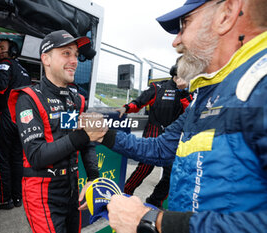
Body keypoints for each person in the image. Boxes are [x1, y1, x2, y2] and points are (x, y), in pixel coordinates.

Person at [81, 0, 267, 232]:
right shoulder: (207, 94)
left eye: (184, 24)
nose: (175, 41)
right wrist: (105, 134)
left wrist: (153, 220)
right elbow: (161, 149)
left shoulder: (260, 87)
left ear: (226, 15)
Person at [7, 30, 99, 233]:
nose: (74, 60)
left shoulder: (77, 99)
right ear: (45, 59)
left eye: (75, 54)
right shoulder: (28, 98)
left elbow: (86, 143)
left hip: (72, 187)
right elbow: (37, 156)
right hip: (42, 191)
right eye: (66, 53)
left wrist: (94, 178)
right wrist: (84, 134)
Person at [118, 62, 192, 208]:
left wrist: (183, 92)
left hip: (174, 136)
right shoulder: (158, 87)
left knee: (172, 172)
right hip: (154, 131)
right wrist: (125, 108)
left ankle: (155, 200)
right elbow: (138, 103)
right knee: (145, 167)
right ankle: (125, 194)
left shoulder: (189, 92)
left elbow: (191, 111)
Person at [0, 38, 32, 210]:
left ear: (12, 52)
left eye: (2, 48)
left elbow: (0, 86)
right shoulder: (24, 70)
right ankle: (17, 198)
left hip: (7, 117)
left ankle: (4, 199)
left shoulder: (5, 63)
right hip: (22, 120)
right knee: (16, 159)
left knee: (1, 158)